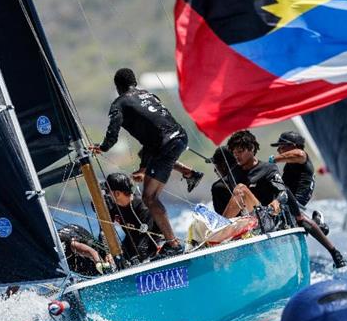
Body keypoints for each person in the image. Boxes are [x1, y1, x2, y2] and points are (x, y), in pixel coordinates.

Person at [90, 68, 202, 257]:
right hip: (179, 137)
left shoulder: (120, 103)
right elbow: (153, 138)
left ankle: (173, 244)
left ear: (118, 87)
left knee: (149, 198)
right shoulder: (149, 95)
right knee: (150, 153)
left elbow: (112, 134)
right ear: (134, 82)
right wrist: (143, 168)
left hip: (163, 145)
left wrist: (102, 147)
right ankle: (189, 173)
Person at [268, 131, 346, 269]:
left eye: (282, 146)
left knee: (300, 219)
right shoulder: (289, 164)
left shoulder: (302, 156)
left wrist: (274, 159)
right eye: (278, 148)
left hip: (297, 199)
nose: (279, 150)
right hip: (286, 198)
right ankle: (317, 224)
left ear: (293, 145)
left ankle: (335, 253)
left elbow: (298, 154)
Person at [103, 173, 159, 262]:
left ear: (117, 193)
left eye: (108, 191)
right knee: (110, 258)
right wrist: (108, 252)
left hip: (153, 242)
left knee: (137, 255)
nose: (106, 195)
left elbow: (145, 238)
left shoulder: (142, 207)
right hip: (131, 241)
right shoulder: (114, 207)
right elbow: (105, 230)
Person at [210, 146, 239, 215]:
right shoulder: (253, 175)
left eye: (216, 165)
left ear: (223, 165)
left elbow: (222, 220)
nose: (215, 170)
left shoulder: (218, 187)